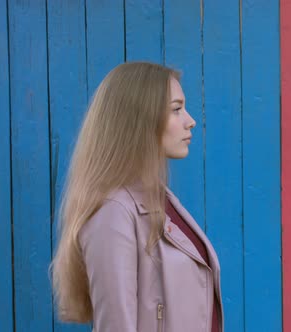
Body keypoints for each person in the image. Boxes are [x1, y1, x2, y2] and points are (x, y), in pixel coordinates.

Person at [50, 62, 223, 332]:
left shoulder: (158, 199)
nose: (190, 120)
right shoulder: (113, 212)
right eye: (176, 109)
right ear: (140, 119)